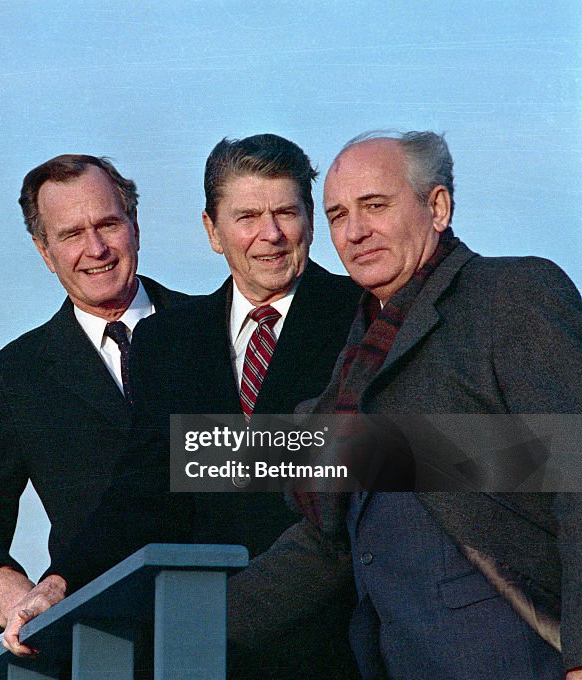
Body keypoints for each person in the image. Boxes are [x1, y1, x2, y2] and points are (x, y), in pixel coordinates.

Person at [1, 135, 363, 677]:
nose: (271, 234)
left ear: (310, 220)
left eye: (286, 211)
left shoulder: (363, 317)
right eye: (247, 216)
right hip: (201, 650)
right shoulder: (168, 341)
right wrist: (58, 585)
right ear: (212, 231)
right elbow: (143, 490)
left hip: (338, 646)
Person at [240, 130, 581, 679]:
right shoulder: (354, 364)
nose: (354, 231)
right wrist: (171, 627)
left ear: (438, 206)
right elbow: (328, 539)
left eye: (375, 206)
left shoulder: (511, 295)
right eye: (336, 215)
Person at [0, 155, 187, 635]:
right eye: (71, 235)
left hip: (235, 624)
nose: (97, 249)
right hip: (101, 640)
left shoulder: (215, 328)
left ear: (136, 226)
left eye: (108, 224)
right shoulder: (19, 375)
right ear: (45, 252)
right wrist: (11, 592)